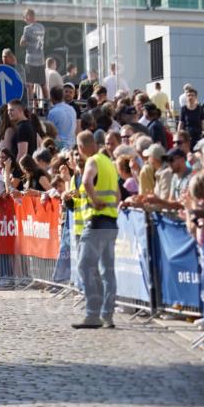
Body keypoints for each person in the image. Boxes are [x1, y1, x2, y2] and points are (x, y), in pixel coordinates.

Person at [72, 130, 120, 329]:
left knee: (85, 266)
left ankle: (93, 314)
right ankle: (107, 314)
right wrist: (109, 205)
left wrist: (94, 199)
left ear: (82, 147)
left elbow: (86, 181)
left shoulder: (92, 161)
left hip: (97, 222)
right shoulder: (109, 162)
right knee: (107, 270)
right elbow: (118, 194)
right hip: (111, 222)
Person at [19, 8, 47, 100]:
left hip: (30, 59)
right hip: (40, 59)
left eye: (24, 18)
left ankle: (30, 106)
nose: (24, 20)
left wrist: (25, 41)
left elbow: (22, 43)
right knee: (43, 84)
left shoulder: (27, 28)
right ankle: (48, 104)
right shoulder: (42, 27)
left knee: (29, 84)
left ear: (28, 16)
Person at [47, 85, 78, 150]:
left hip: (59, 148)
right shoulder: (72, 109)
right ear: (62, 96)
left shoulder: (53, 112)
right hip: (72, 146)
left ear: (51, 98)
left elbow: (49, 133)